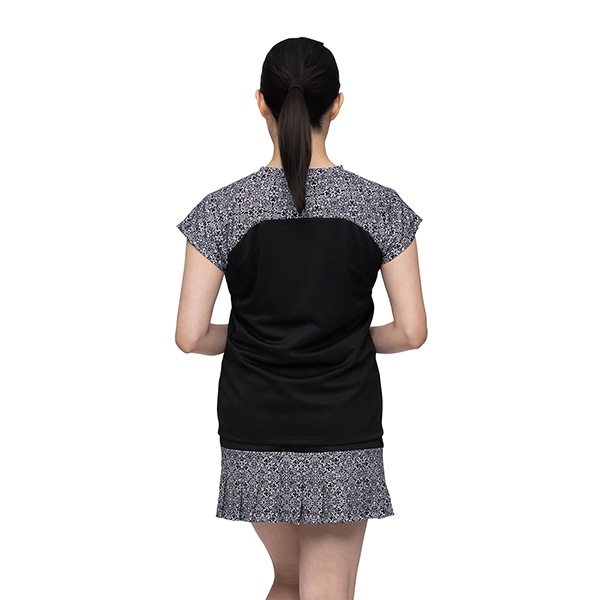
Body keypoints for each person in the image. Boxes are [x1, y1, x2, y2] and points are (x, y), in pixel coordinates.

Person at [175, 36, 427, 600]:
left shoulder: (222, 210)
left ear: (261, 103)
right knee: (326, 590)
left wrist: (255, 335)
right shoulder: (379, 207)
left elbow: (191, 336)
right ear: (336, 104)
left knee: (289, 582)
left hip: (254, 428)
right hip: (341, 427)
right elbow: (411, 332)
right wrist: (345, 337)